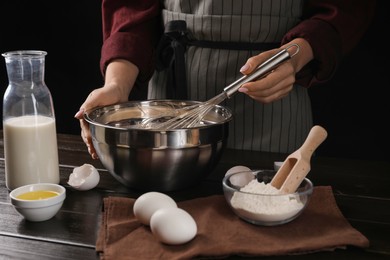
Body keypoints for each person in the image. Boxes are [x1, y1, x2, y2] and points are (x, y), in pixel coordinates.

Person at [75, 0, 375, 159]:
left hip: (273, 102)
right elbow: (131, 12)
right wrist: (116, 84)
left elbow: (344, 9)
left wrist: (294, 57)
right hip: (168, 104)